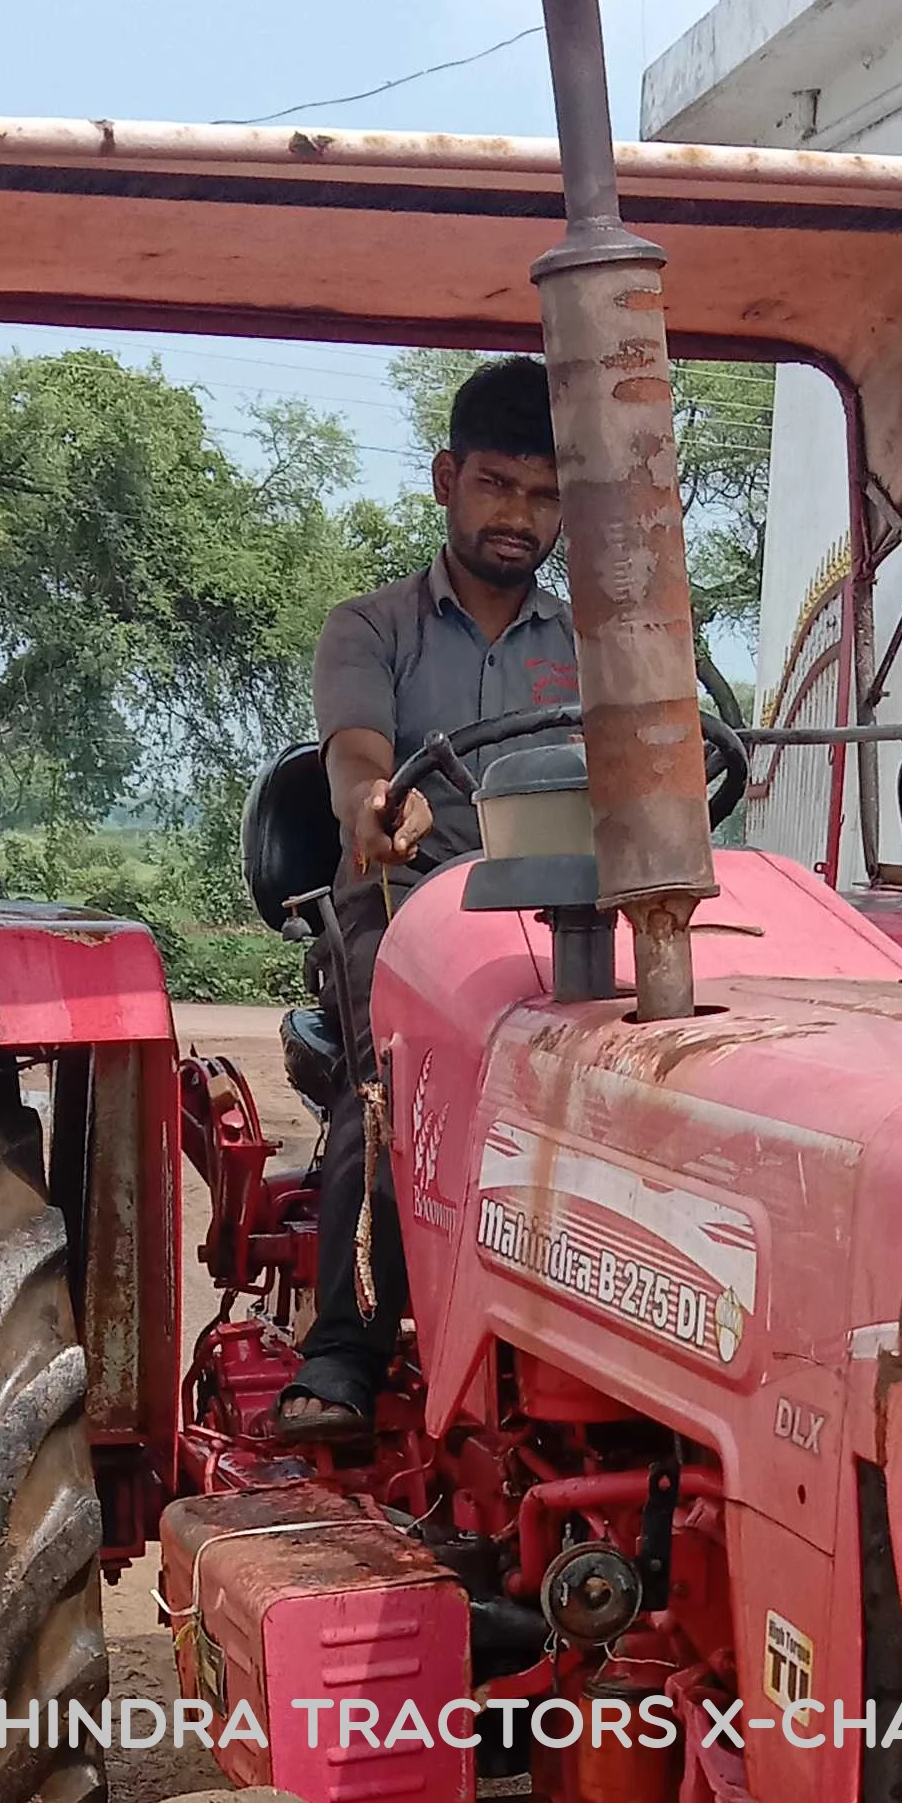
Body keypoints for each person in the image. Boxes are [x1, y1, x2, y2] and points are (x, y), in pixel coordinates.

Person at [275, 357, 577, 1444]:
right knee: (392, 1088)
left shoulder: (591, 647)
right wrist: (374, 802)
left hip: (562, 907)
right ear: (448, 479)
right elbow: (358, 755)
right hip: (403, 897)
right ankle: (344, 1349)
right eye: (497, 485)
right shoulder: (370, 628)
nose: (519, 517)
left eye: (543, 495)